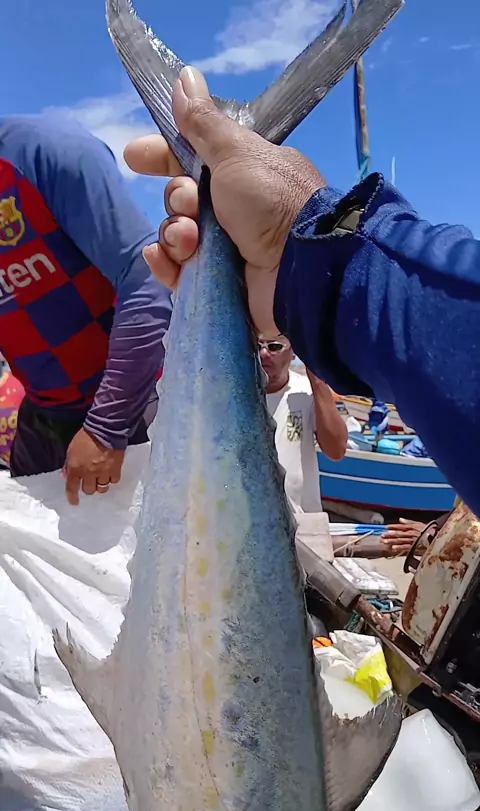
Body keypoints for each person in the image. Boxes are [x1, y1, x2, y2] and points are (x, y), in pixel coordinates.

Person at [124, 66, 480, 518]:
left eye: (276, 345)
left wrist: (314, 263)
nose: (267, 352)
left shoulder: (303, 386)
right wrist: (298, 247)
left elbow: (335, 447)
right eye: (266, 346)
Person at [0, 114, 172, 504]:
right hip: (39, 419)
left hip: (133, 411)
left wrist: (106, 427)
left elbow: (146, 278)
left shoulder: (45, 151)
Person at [259, 336, 346, 513]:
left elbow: (336, 450)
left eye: (274, 347)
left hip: (303, 520)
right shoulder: (234, 394)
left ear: (293, 352)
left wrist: (318, 381)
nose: (263, 353)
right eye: (257, 346)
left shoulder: (307, 392)